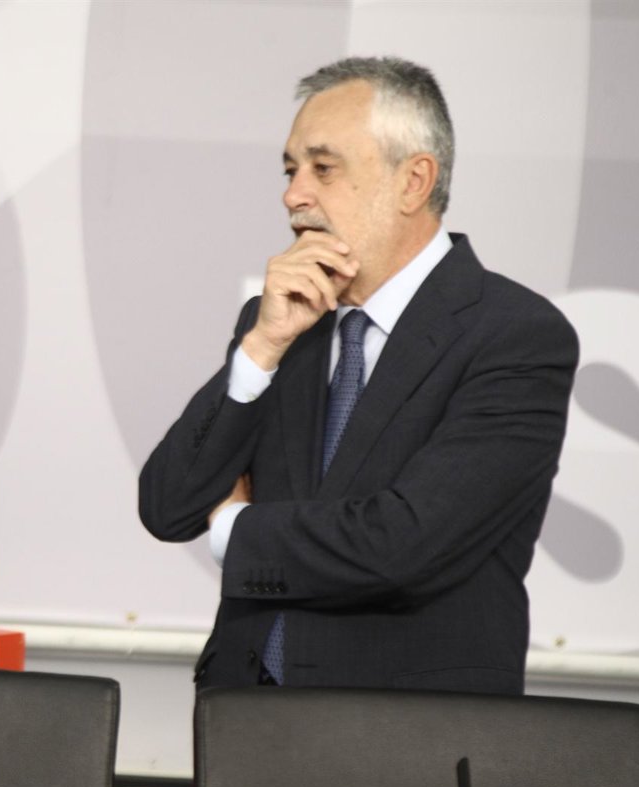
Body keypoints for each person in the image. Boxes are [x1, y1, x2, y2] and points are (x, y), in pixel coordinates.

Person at [139, 57, 578, 694]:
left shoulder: (514, 335)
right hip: (244, 719)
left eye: (323, 168)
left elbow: (403, 545)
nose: (294, 195)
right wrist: (260, 350)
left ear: (413, 181)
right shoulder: (280, 323)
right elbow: (167, 506)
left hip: (408, 729)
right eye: (290, 170)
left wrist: (234, 527)